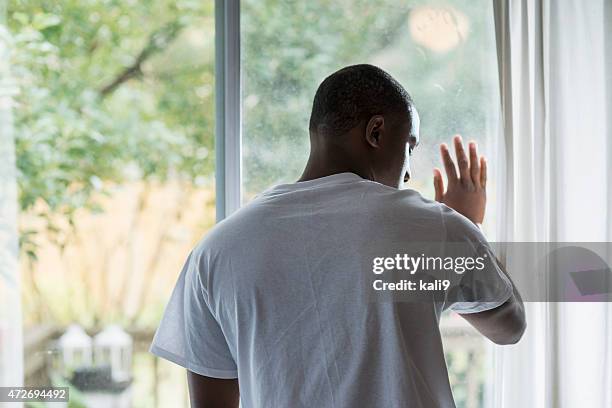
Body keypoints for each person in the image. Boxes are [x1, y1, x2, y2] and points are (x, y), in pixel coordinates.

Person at [150, 64, 526, 408]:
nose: (409, 173)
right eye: (409, 147)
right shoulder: (431, 228)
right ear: (376, 131)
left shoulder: (216, 251)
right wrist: (468, 224)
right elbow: (509, 326)